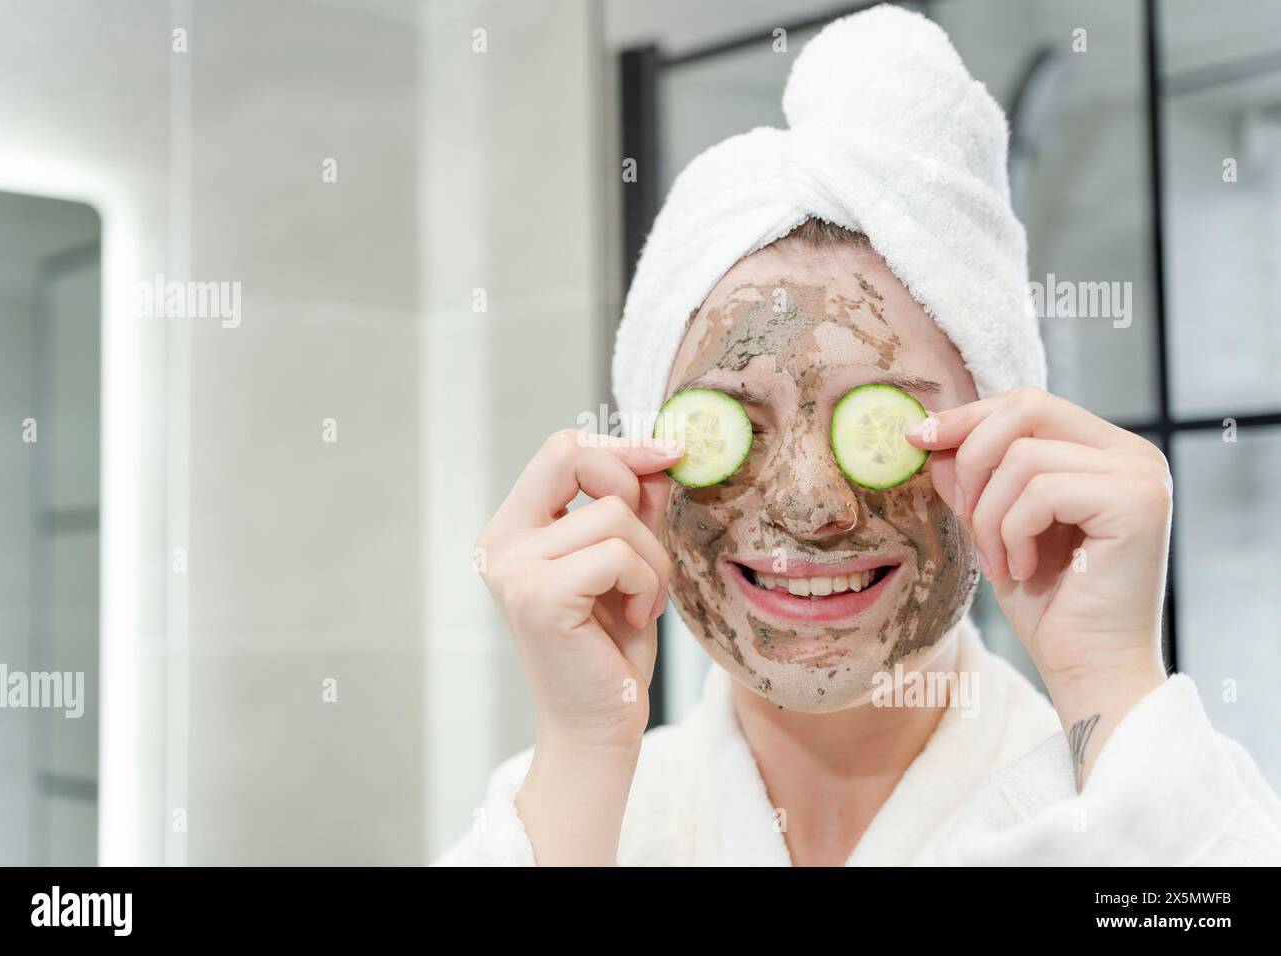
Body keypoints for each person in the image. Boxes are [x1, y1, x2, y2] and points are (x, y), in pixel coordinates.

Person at [436, 6, 1281, 866]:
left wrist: (1108, 682)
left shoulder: (1147, 809)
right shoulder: (563, 814)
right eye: (732, 423)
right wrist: (584, 747)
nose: (810, 504)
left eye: (886, 419)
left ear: (1002, 440)